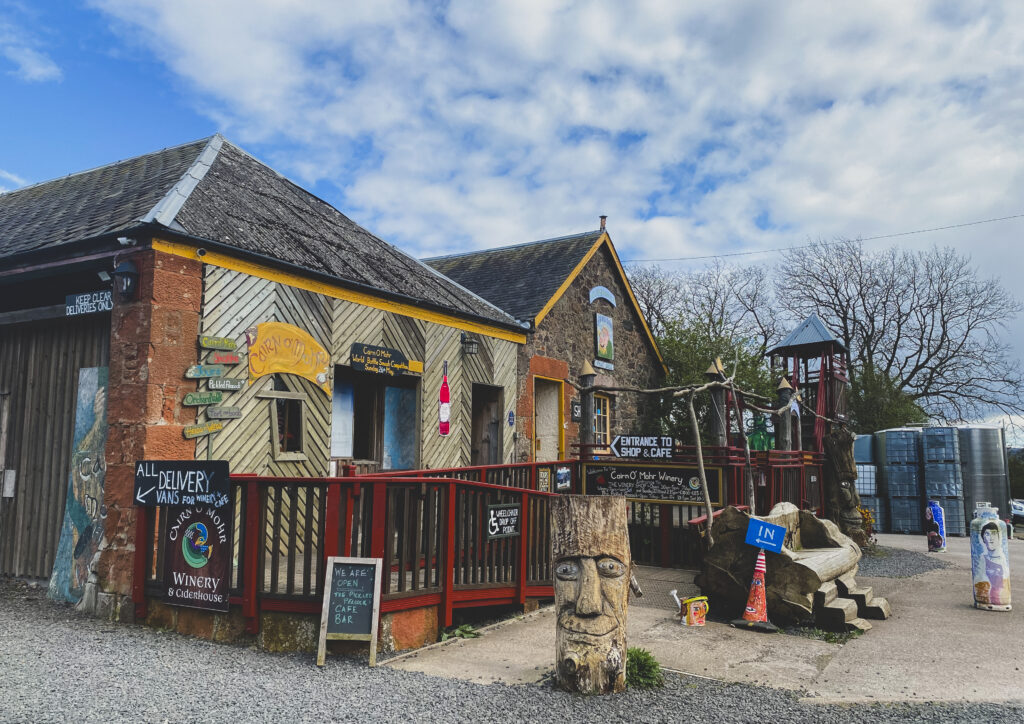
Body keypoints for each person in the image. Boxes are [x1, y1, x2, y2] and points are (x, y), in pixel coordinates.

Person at [980, 522, 1010, 605]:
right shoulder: (983, 559)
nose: (991, 538)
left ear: (999, 537)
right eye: (987, 534)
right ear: (983, 538)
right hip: (988, 597)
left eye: (994, 534)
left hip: (1001, 597)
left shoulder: (1002, 559)